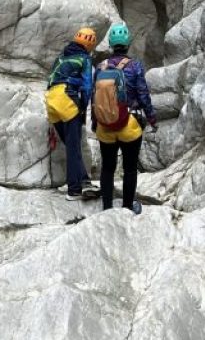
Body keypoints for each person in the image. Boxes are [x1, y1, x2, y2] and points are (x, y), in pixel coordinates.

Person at [92, 22, 157, 214]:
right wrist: (152, 119)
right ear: (127, 44)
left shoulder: (100, 67)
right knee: (129, 168)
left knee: (108, 168)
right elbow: (143, 94)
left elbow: (93, 98)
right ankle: (128, 206)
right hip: (129, 125)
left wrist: (96, 123)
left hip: (105, 127)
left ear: (111, 45)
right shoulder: (135, 66)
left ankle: (107, 208)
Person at [45, 27, 98, 200]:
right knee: (73, 148)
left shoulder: (60, 57)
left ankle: (83, 180)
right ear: (89, 44)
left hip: (51, 102)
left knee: (72, 146)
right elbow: (88, 86)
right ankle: (74, 190)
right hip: (67, 101)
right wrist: (82, 107)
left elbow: (50, 80)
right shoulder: (85, 59)